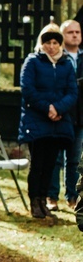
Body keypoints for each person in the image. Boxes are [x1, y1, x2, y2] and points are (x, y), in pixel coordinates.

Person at [19, 24, 78, 219]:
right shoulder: (32, 62)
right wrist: (48, 108)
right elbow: (28, 90)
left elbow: (72, 92)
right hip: (37, 119)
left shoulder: (66, 64)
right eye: (48, 42)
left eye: (55, 42)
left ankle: (44, 198)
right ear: (41, 43)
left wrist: (59, 108)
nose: (51, 46)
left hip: (58, 122)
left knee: (51, 163)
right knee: (38, 162)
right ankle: (35, 199)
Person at [48, 19, 83, 211]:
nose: (75, 35)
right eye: (71, 32)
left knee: (75, 159)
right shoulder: (57, 58)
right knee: (55, 158)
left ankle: (72, 196)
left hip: (80, 116)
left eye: (78, 32)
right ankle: (51, 196)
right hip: (60, 115)